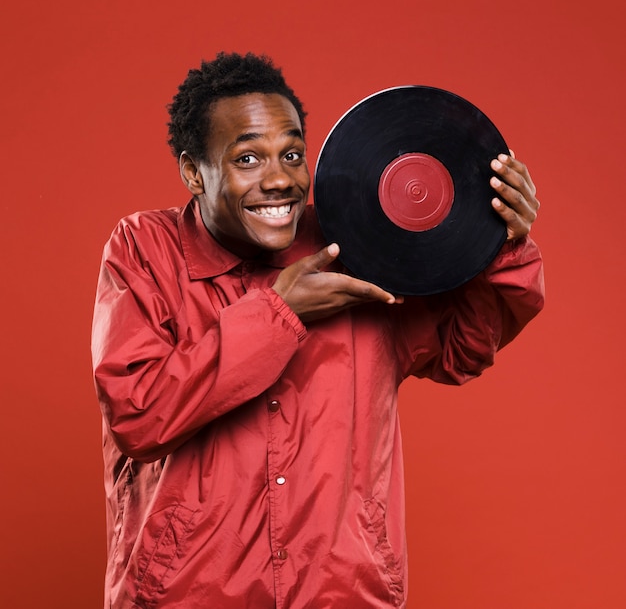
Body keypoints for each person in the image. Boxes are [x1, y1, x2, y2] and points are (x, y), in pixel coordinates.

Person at [91, 51, 544, 609]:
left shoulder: (355, 243)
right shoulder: (143, 250)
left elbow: (462, 349)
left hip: (343, 591)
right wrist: (279, 315)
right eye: (248, 158)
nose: (280, 179)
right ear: (192, 171)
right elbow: (140, 414)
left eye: (292, 154)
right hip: (188, 593)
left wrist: (500, 241)